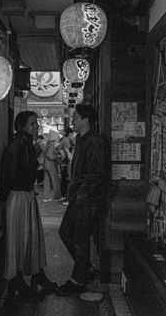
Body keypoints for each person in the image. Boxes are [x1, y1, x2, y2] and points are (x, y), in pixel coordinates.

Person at [0, 111, 57, 297]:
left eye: (36, 124)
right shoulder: (16, 146)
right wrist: (4, 200)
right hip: (17, 197)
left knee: (32, 236)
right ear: (21, 125)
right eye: (32, 124)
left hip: (27, 195)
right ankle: (16, 279)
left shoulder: (27, 145)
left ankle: (36, 274)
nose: (36, 127)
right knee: (19, 237)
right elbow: (8, 175)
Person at [58, 104, 108, 296]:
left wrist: (80, 196)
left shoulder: (94, 141)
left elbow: (95, 174)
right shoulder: (81, 139)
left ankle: (78, 279)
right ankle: (85, 269)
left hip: (87, 199)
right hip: (79, 197)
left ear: (86, 119)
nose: (73, 121)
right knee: (66, 232)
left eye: (76, 118)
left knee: (79, 238)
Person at [43, 130, 62, 202]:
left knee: (47, 181)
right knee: (54, 181)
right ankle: (57, 196)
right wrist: (57, 157)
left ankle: (47, 197)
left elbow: (46, 153)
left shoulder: (48, 143)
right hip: (51, 165)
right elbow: (50, 155)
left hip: (46, 164)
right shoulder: (52, 143)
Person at [57, 127, 74, 202]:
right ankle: (64, 194)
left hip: (63, 161)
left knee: (64, 178)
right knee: (65, 178)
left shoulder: (64, 139)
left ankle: (63, 194)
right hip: (65, 162)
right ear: (70, 133)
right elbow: (66, 151)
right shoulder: (66, 140)